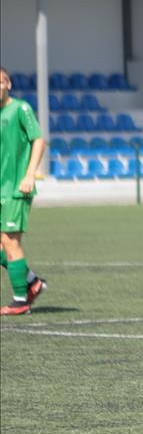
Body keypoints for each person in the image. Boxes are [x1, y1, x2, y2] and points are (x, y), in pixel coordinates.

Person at [0, 66, 48, 316]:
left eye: (0, 82)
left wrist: (30, 174)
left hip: (16, 188)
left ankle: (20, 300)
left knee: (10, 241)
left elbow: (39, 140)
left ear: (8, 84)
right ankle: (32, 281)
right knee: (3, 244)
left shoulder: (20, 108)